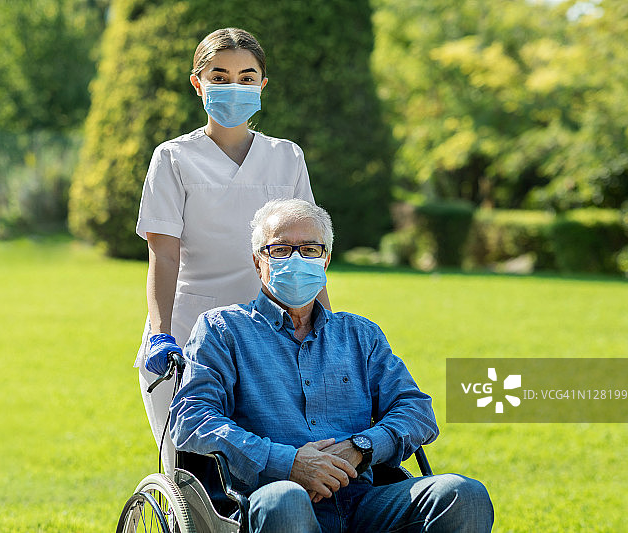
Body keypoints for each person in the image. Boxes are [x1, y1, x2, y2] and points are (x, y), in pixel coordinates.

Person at [170, 199, 494, 532]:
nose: (297, 259)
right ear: (258, 262)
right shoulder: (223, 330)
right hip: (272, 500)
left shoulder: (360, 334)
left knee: (463, 494)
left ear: (325, 260)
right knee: (286, 500)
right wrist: (289, 463)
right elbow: (192, 419)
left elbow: (416, 410)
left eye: (310, 249)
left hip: (364, 501)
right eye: (280, 249)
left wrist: (361, 447)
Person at [135, 28, 328, 472]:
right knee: (193, 474)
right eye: (219, 76)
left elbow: (309, 251)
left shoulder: (287, 158)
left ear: (262, 86)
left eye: (246, 77)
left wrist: (327, 329)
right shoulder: (173, 158)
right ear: (198, 83)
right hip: (184, 338)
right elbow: (164, 255)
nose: (233, 87)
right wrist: (161, 333)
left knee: (271, 470)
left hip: (271, 338)